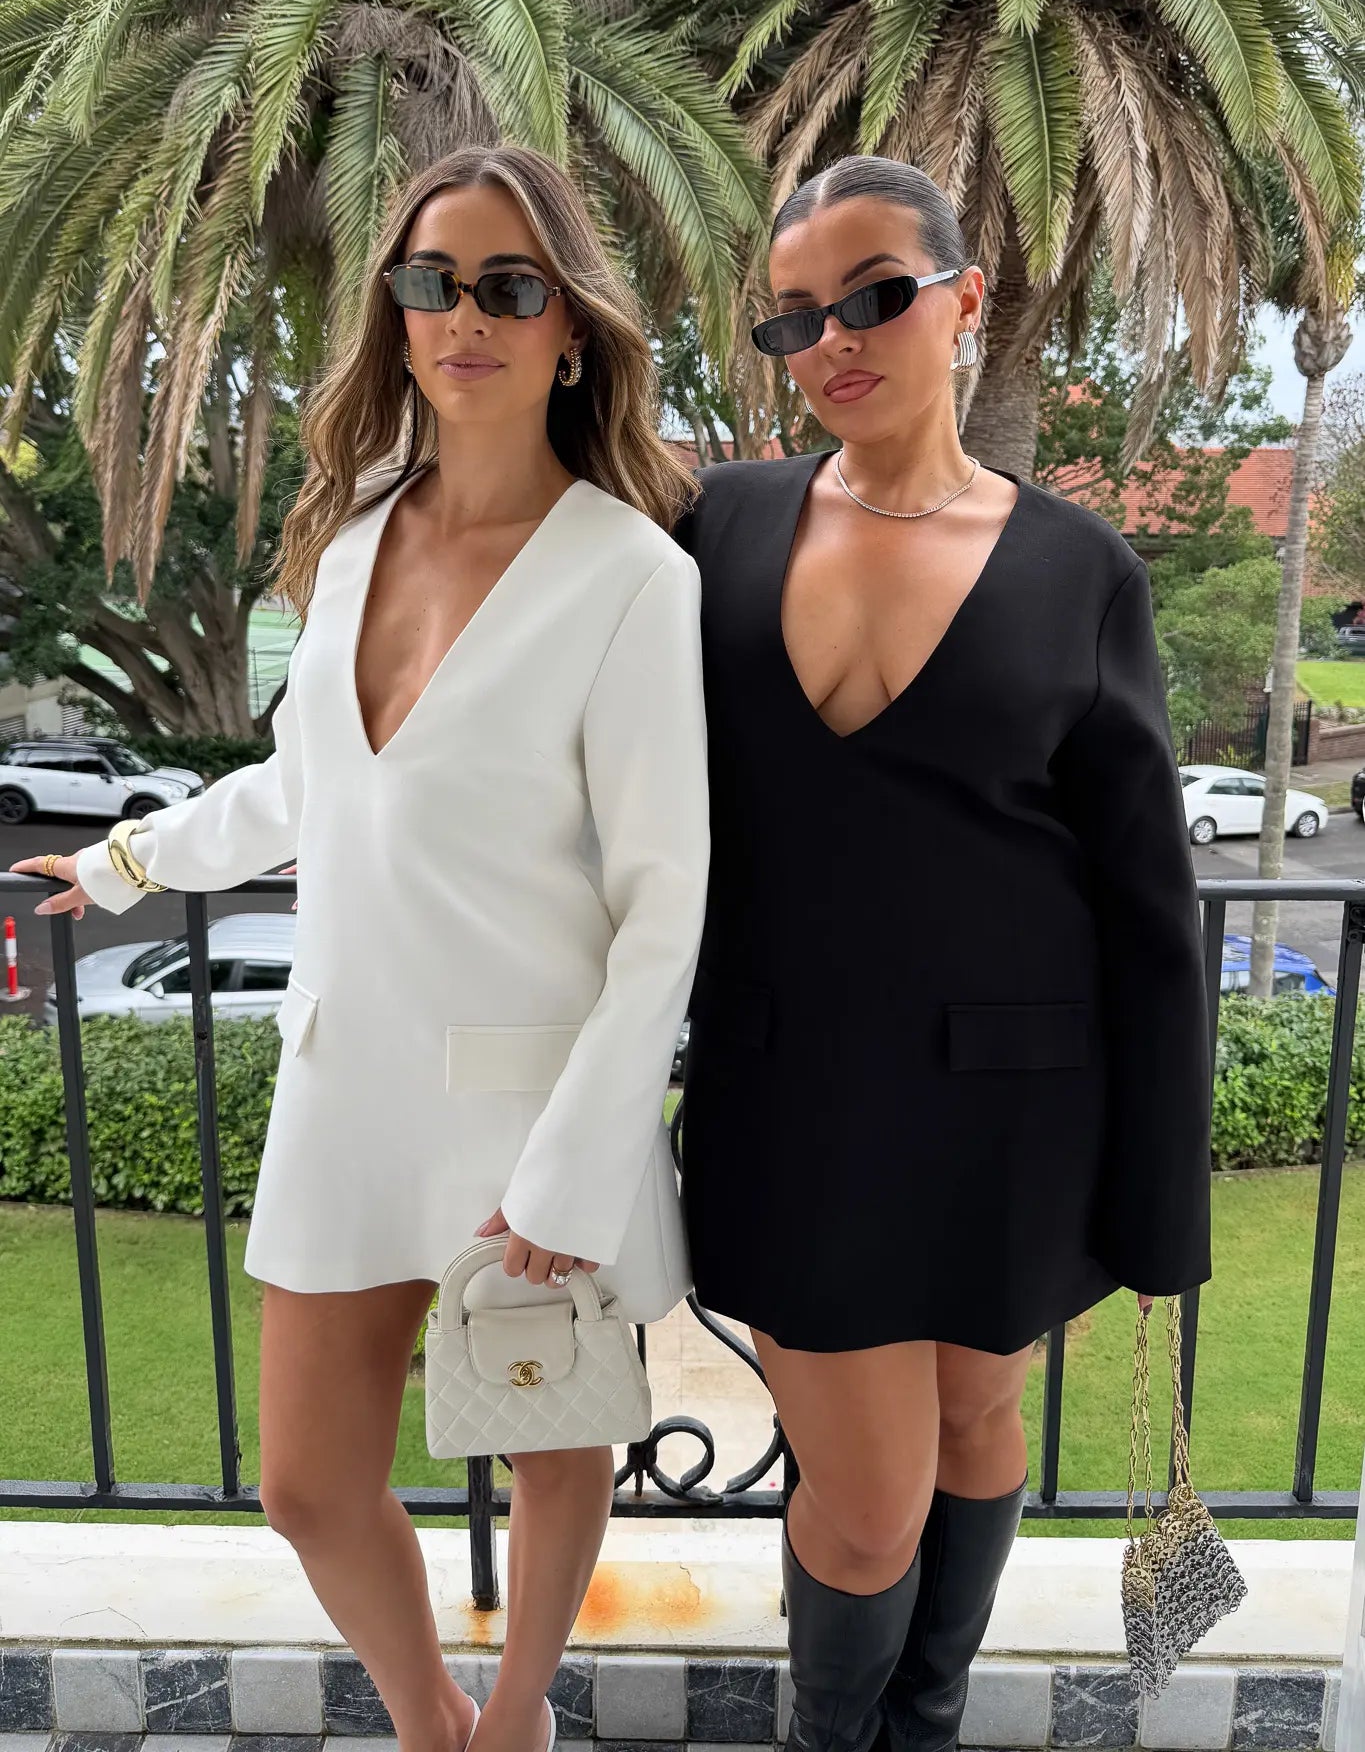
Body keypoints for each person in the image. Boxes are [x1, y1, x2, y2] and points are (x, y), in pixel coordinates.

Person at [16, 147, 710, 1752]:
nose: (464, 316)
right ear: (393, 312)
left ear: (569, 329)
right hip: (345, 1092)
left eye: (508, 287)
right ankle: (430, 1724)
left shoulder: (630, 577)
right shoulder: (354, 542)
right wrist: (125, 860)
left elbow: (665, 901)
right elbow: (308, 783)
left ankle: (516, 1722)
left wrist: (575, 1172)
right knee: (307, 1484)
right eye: (428, 281)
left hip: (532, 1112)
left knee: (552, 1446)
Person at [675, 156, 1211, 1752]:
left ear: (965, 300)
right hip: (790, 1101)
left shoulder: (1077, 569)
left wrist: (1158, 1198)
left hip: (1015, 1111)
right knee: (863, 1510)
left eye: (873, 296)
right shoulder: (711, 526)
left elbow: (1144, 900)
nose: (833, 339)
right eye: (793, 318)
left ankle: (927, 1722)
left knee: (979, 1420)